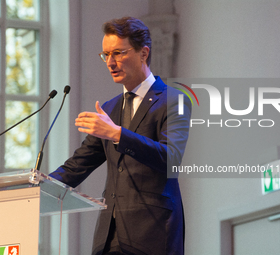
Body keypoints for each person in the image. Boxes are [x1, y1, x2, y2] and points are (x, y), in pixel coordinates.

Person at [49, 16, 191, 255]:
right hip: (110, 237)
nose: (110, 62)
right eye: (106, 55)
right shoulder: (111, 108)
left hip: (153, 233)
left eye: (118, 53)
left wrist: (117, 134)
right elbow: (77, 165)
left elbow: (171, 157)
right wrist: (35, 188)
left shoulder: (173, 100)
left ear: (143, 53)